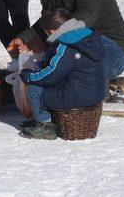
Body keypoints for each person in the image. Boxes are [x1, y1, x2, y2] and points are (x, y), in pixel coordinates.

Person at [18, 8, 107, 140]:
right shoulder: (85, 36)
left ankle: (44, 126)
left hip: (76, 97)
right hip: (95, 93)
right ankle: (42, 120)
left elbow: (51, 75)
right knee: (46, 85)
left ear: (53, 31)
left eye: (46, 33)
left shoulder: (65, 45)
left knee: (34, 89)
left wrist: (29, 76)